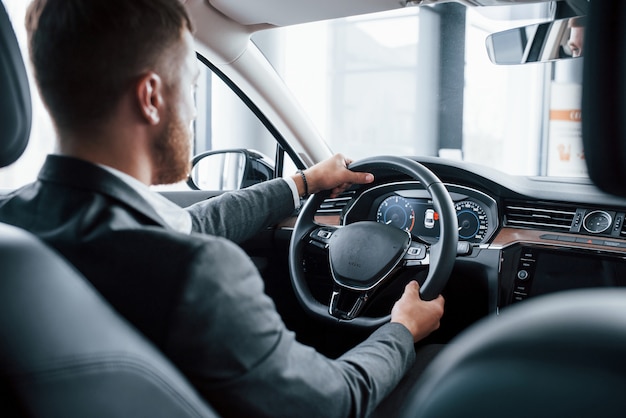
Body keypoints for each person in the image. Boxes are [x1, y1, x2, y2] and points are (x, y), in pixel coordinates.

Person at [0, 0, 445, 417]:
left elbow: (192, 225)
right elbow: (333, 402)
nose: (192, 111)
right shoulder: (199, 274)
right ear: (152, 97)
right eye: (193, 87)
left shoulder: (14, 225)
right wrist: (401, 330)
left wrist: (304, 183)